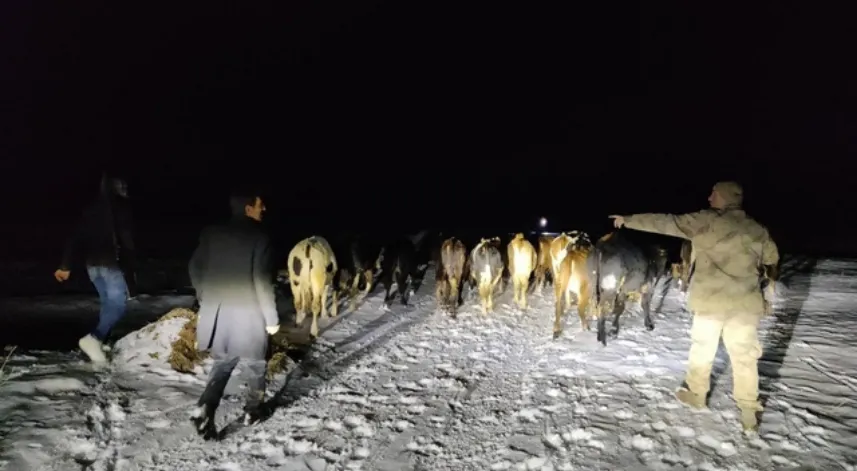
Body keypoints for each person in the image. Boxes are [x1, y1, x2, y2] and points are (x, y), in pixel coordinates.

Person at [609, 181, 779, 433]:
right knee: (745, 358)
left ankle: (697, 395)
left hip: (710, 301)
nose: (709, 198)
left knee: (702, 349)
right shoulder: (757, 229)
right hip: (745, 303)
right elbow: (771, 259)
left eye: (714, 194)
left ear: (724, 197)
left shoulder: (705, 221)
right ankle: (748, 413)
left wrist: (629, 219)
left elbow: (666, 222)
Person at [188, 192, 280, 439]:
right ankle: (253, 411)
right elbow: (262, 281)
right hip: (248, 315)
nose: (264, 209)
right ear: (248, 208)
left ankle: (205, 407)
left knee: (222, 363)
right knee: (256, 364)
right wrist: (271, 319)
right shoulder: (260, 238)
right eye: (261, 205)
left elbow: (194, 267)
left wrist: (204, 296)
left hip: (217, 316)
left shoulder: (211, 234)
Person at [55, 174, 136, 365]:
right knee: (118, 305)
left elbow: (75, 238)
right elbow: (126, 239)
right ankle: (94, 338)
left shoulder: (91, 210)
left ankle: (101, 340)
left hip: (92, 265)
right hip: (111, 264)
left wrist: (65, 265)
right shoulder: (120, 208)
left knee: (108, 304)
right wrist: (130, 267)